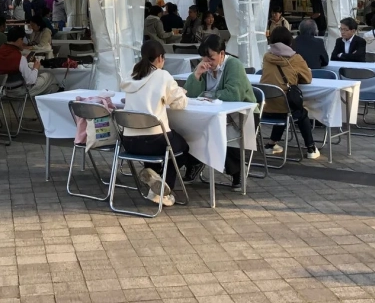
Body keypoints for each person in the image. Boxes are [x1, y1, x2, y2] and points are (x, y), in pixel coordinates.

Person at [119, 40, 195, 206]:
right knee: (182, 149)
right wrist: (181, 92)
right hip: (155, 141)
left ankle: (155, 177)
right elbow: (179, 103)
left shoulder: (132, 76)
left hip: (129, 142)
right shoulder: (163, 76)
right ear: (160, 58)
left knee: (163, 144)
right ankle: (162, 191)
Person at [184, 35, 254, 189]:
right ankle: (194, 162)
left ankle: (237, 173)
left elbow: (234, 94)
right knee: (188, 126)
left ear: (222, 54)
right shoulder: (205, 68)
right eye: (204, 58)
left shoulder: (233, 65)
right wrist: (197, 74)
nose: (207, 62)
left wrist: (207, 95)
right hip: (212, 113)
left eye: (211, 57)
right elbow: (189, 94)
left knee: (226, 130)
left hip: (240, 113)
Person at [261, 26, 321, 160]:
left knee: (283, 103)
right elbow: (307, 78)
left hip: (265, 107)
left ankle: (271, 145)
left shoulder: (266, 57)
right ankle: (311, 148)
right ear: (289, 41)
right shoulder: (296, 58)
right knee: (298, 110)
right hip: (284, 107)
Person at [0, 27, 57, 96]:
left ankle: (54, 89)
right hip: (20, 91)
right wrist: (36, 68)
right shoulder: (19, 58)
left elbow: (6, 64)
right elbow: (31, 81)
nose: (23, 43)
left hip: (5, 89)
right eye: (22, 40)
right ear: (19, 39)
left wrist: (23, 61)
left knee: (52, 88)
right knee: (49, 76)